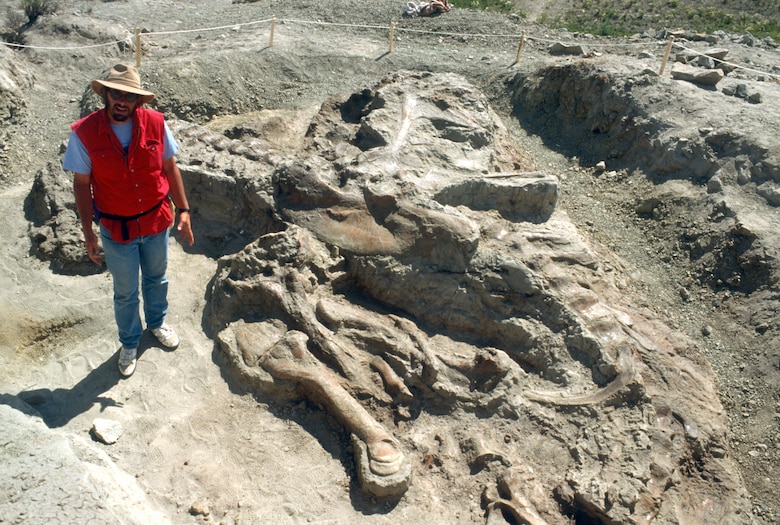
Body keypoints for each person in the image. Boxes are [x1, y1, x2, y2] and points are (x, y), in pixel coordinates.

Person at [62, 63, 194, 378]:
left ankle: (158, 323)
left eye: (129, 96)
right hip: (115, 228)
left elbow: (169, 167)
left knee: (156, 278)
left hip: (155, 221)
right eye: (116, 93)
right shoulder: (84, 132)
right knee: (124, 292)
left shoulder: (156, 124)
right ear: (105, 94)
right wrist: (88, 234)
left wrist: (184, 210)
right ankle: (130, 342)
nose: (122, 100)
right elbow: (82, 185)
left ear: (138, 101)